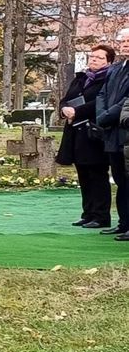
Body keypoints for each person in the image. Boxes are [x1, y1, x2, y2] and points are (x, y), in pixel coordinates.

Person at [58, 44, 114, 230]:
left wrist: (77, 111)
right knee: (83, 174)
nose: (94, 60)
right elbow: (66, 98)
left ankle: (100, 215)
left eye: (99, 57)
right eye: (92, 56)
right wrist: (64, 108)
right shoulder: (81, 78)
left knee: (97, 175)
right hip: (76, 133)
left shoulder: (109, 79)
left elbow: (99, 102)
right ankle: (88, 213)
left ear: (109, 61)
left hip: (94, 134)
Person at [98, 32, 129, 240]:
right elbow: (103, 94)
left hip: (125, 129)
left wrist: (108, 115)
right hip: (112, 133)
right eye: (123, 41)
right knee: (119, 179)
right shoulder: (117, 68)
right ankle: (123, 222)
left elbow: (126, 101)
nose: (125, 44)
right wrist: (101, 114)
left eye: (128, 41)